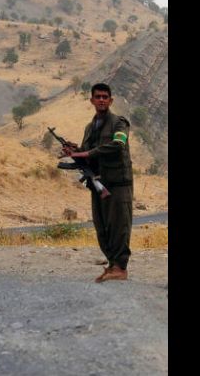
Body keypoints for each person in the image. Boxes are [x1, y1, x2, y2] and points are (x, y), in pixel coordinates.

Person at [62, 83, 133, 282]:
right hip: (98, 183)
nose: (101, 100)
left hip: (118, 183)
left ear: (110, 100)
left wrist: (86, 153)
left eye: (105, 97)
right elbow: (88, 154)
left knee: (119, 226)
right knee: (101, 227)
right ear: (91, 100)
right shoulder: (90, 127)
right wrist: (74, 151)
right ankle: (112, 265)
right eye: (98, 96)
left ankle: (120, 268)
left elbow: (118, 144)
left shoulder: (119, 123)